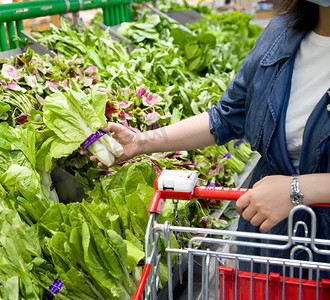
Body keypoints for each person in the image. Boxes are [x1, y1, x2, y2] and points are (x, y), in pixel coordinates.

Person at [82, 0, 330, 276]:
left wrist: (298, 190)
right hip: (268, 237)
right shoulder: (280, 33)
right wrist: (141, 142)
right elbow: (226, 117)